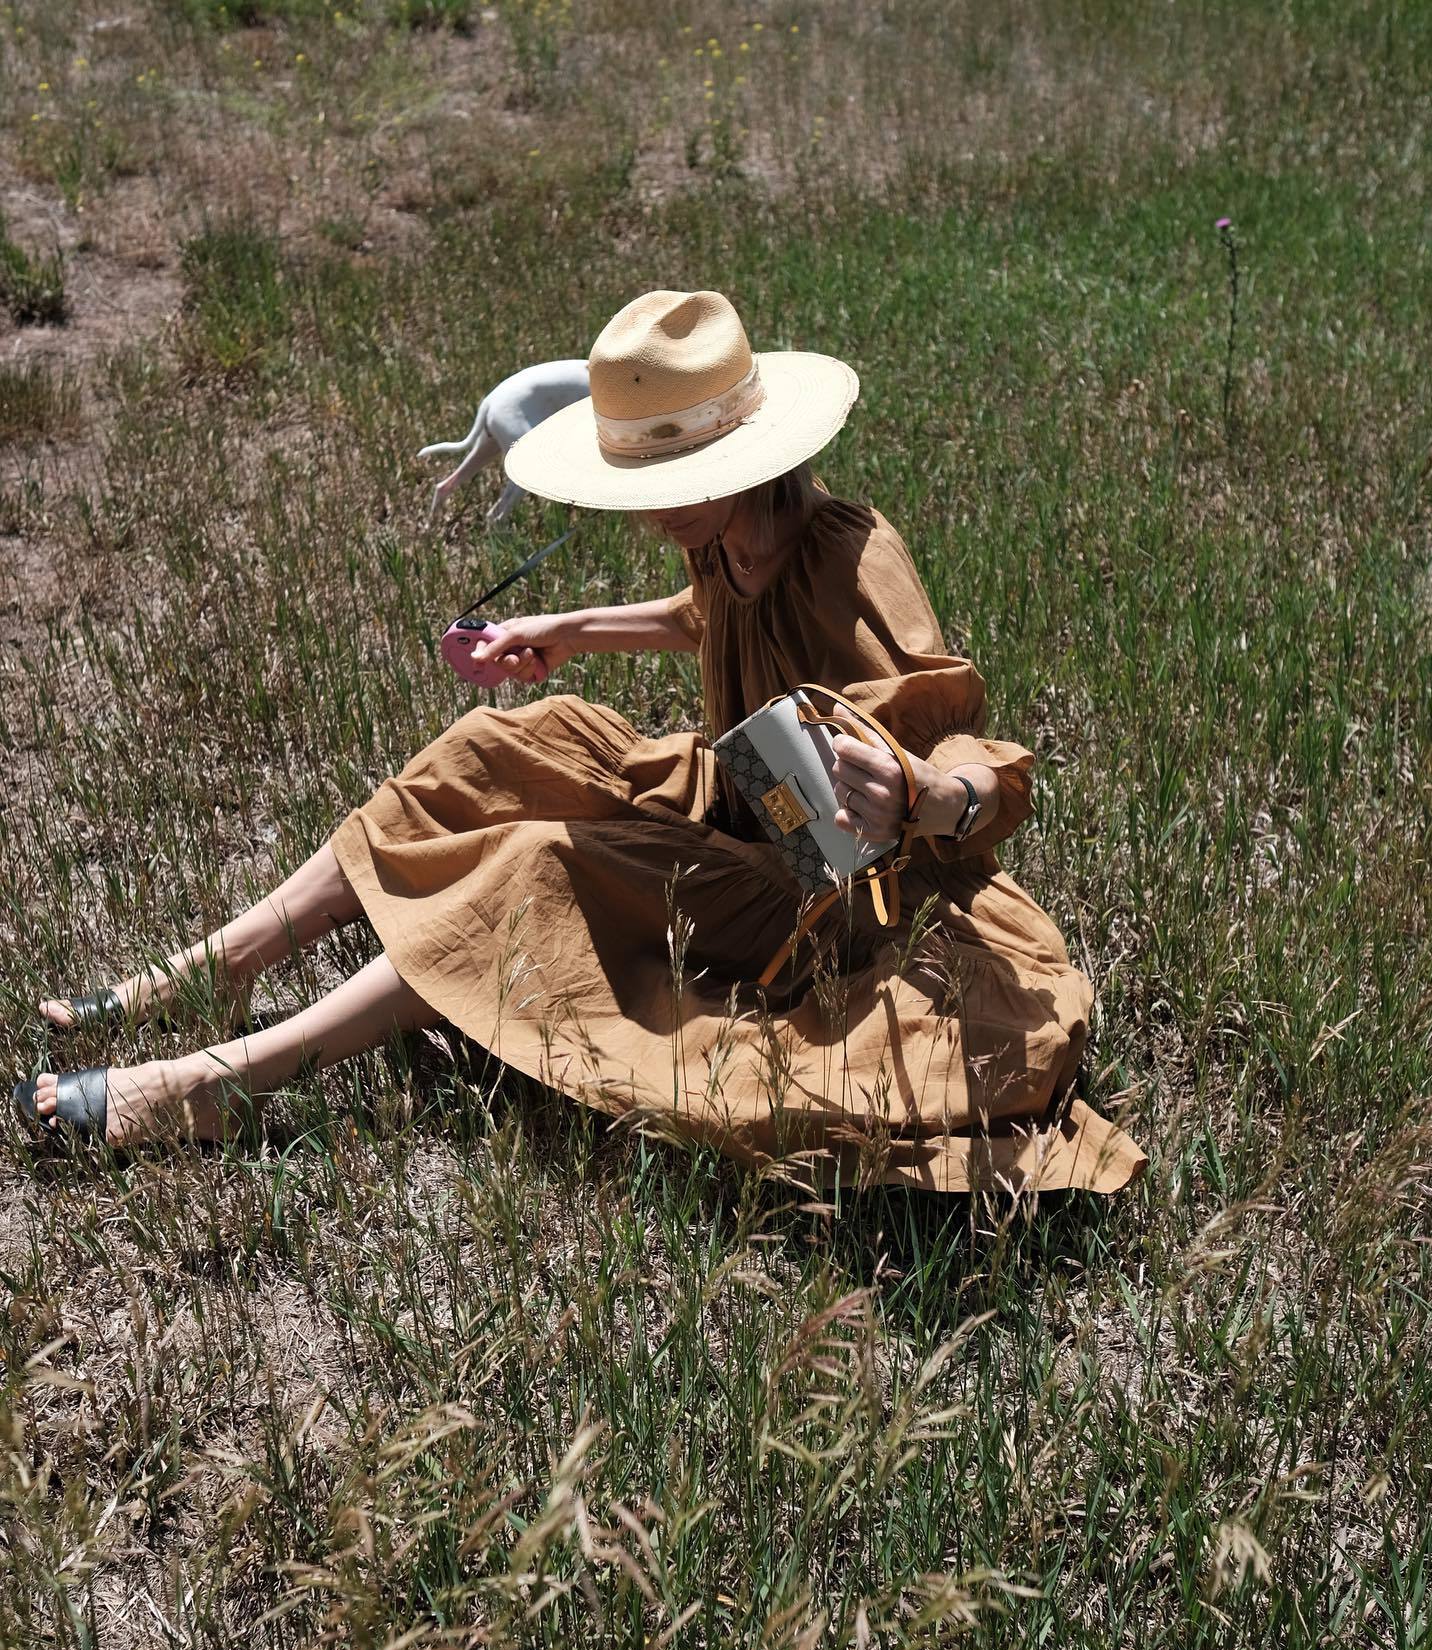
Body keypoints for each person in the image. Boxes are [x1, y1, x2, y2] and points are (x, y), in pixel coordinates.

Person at [15, 290, 1143, 1195]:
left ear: (748, 459)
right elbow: (707, 614)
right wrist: (570, 629)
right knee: (499, 745)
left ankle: (223, 1082)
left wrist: (922, 793)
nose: (654, 510)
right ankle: (219, 969)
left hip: (837, 892)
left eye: (675, 482)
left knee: (533, 869)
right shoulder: (728, 532)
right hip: (745, 791)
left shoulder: (853, 558)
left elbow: (973, 749)